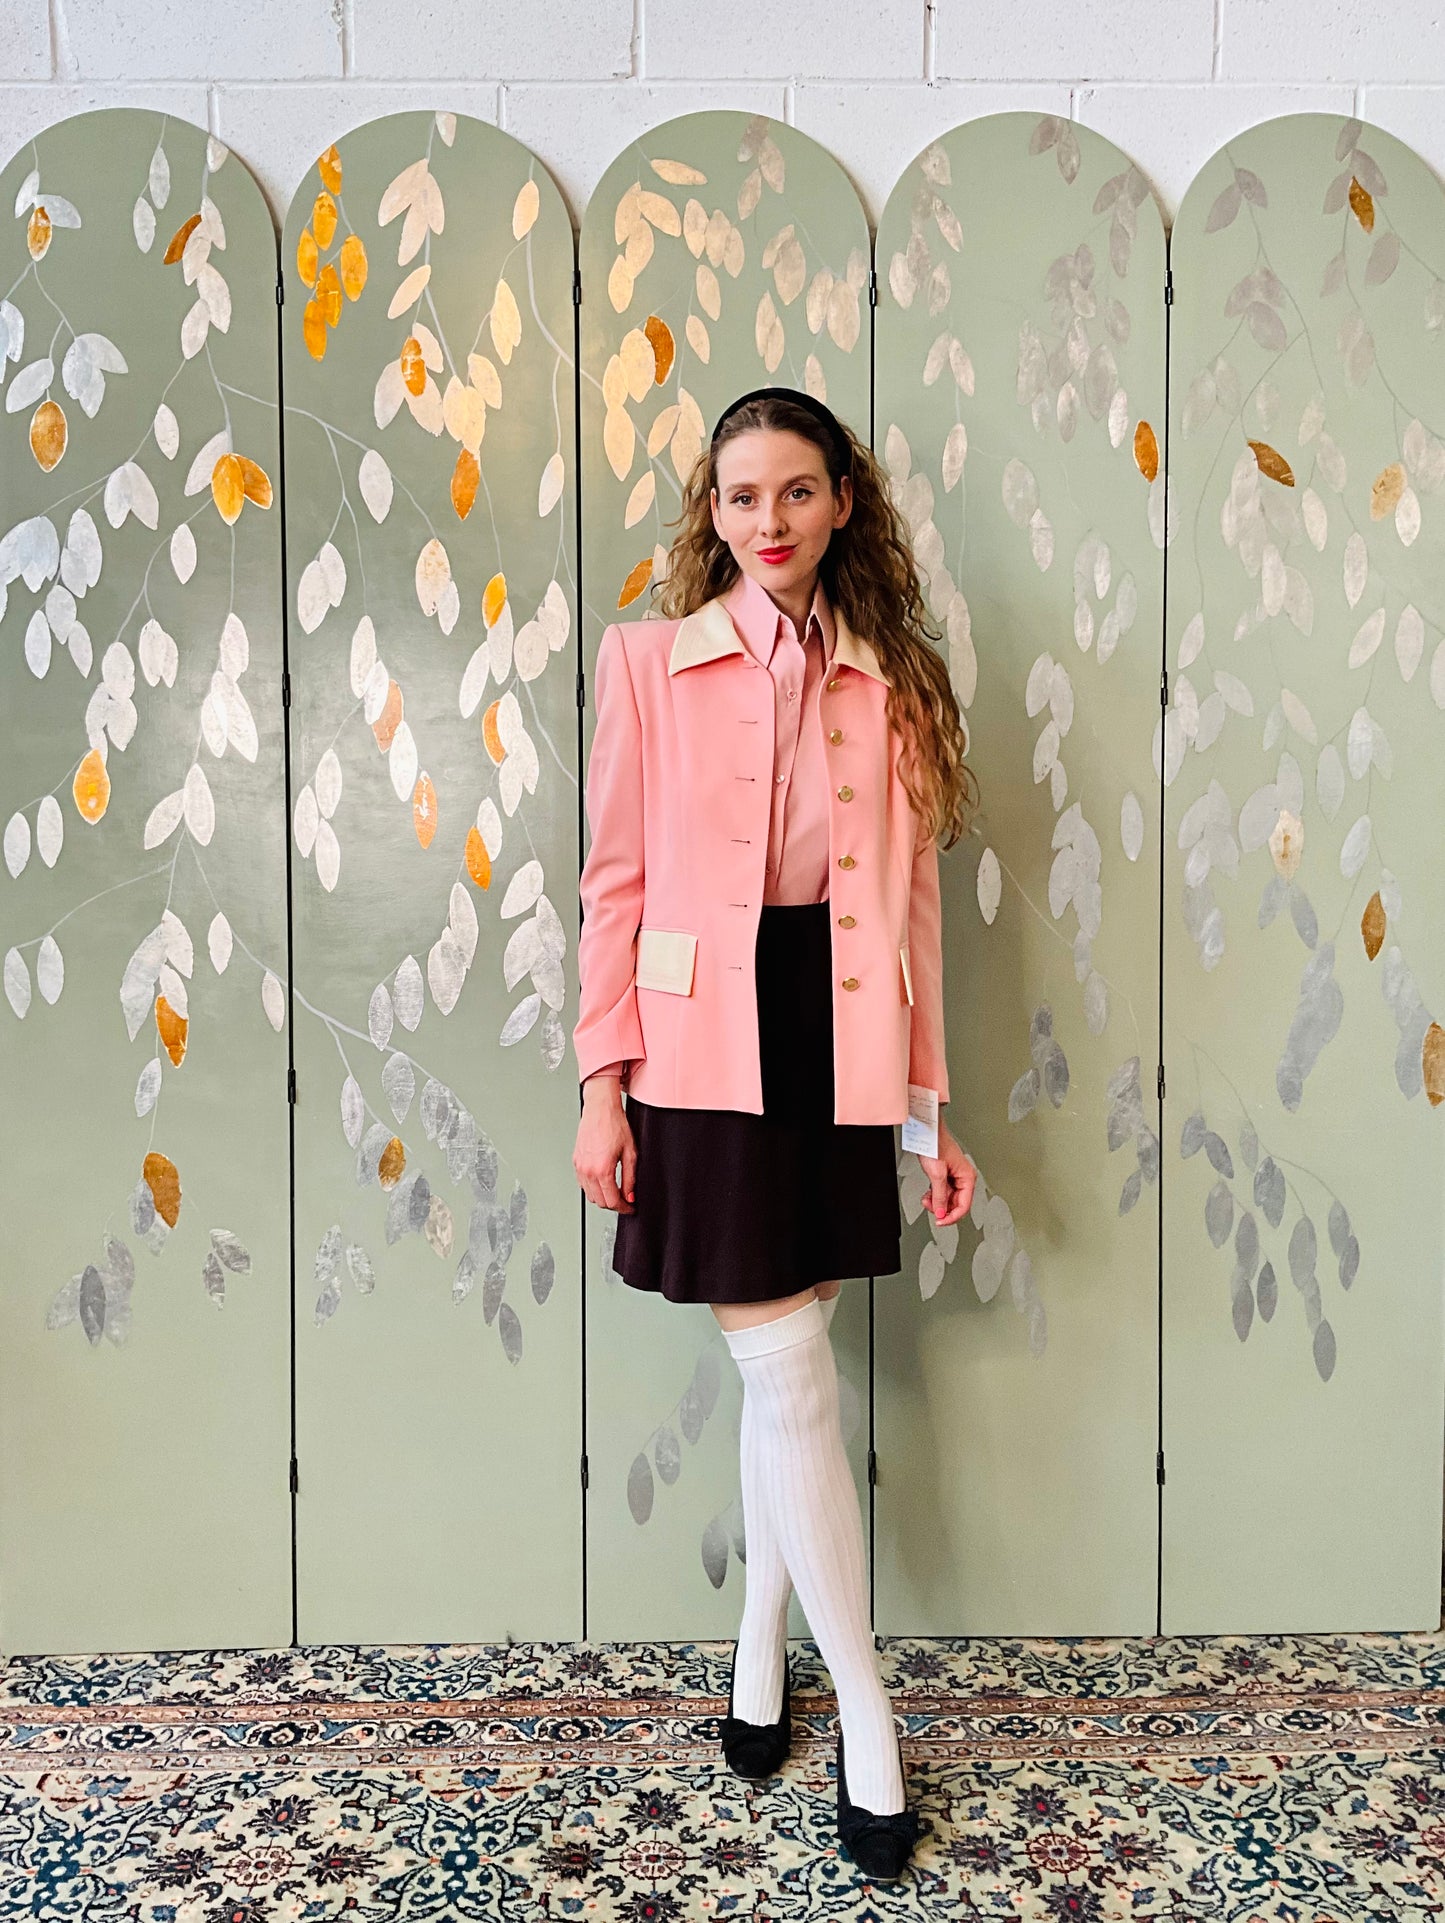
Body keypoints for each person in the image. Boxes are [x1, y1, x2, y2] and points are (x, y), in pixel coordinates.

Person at [571, 385, 978, 1880]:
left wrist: (930, 1115)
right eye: (741, 496)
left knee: (782, 1373)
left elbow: (913, 916)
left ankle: (758, 1651)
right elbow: (614, 884)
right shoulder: (646, 663)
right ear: (713, 511)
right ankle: (863, 1703)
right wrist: (601, 1083)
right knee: (790, 1370)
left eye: (796, 491)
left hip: (837, 1029)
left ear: (841, 502)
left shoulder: (893, 682)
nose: (769, 521)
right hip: (699, 1046)